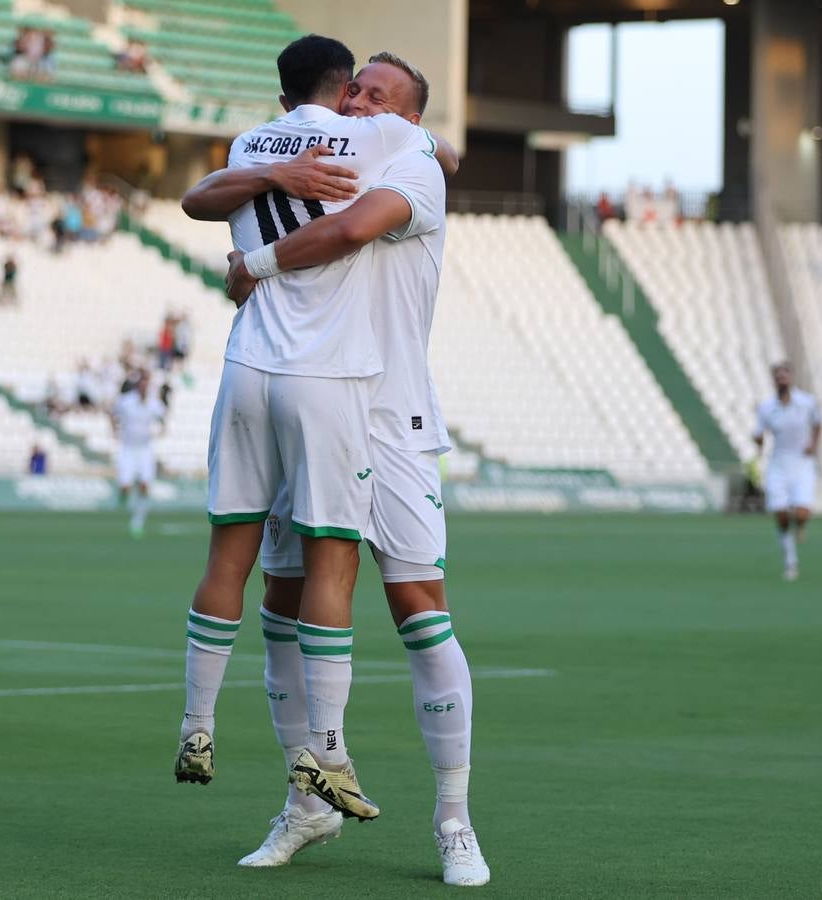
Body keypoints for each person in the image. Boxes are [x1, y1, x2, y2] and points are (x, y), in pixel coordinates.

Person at [190, 55, 486, 884]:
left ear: (408, 119)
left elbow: (353, 227)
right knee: (282, 604)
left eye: (375, 95)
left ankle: (454, 820)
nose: (355, 103)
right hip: (312, 402)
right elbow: (210, 194)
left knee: (417, 608)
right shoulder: (325, 159)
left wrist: (253, 265)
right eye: (352, 88)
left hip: (391, 418)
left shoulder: (413, 170)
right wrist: (267, 175)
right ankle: (308, 801)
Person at [753, 362, 821, 581]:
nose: (782, 380)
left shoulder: (807, 402)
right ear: (774, 380)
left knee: (801, 512)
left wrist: (813, 444)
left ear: (791, 378)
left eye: (785, 376)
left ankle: (800, 526)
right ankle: (791, 562)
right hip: (778, 464)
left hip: (802, 464)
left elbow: (818, 423)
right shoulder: (766, 407)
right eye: (778, 377)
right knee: (781, 514)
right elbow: (758, 434)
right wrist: (758, 443)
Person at [111, 371, 164, 537]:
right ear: (137, 386)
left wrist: (162, 429)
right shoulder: (126, 401)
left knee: (144, 486)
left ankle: (137, 523)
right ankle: (122, 497)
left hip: (145, 449)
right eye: (142, 386)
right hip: (128, 449)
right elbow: (112, 412)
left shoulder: (154, 403)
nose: (144, 389)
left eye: (147, 386)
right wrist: (114, 429)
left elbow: (163, 416)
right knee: (125, 487)